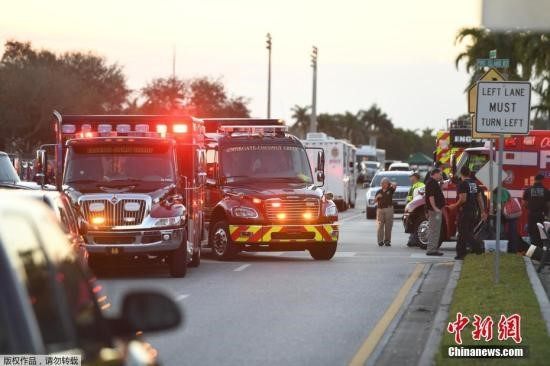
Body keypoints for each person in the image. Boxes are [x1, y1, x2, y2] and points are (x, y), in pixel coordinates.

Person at [449, 166, 487, 260]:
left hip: (465, 211)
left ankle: (478, 247)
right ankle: (461, 253)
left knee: (463, 232)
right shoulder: (474, 184)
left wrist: (454, 206)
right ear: (469, 173)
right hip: (474, 211)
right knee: (466, 232)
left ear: (461, 174)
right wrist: (482, 211)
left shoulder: (462, 184)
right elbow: (479, 198)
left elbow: (463, 199)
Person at [522, 174, 550, 247]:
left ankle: (533, 251)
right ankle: (541, 251)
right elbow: (548, 204)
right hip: (542, 215)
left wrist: (530, 207)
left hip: (531, 215)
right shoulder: (546, 190)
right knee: (542, 234)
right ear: (542, 180)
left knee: (532, 233)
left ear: (535, 180)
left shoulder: (528, 190)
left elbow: (524, 203)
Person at [424, 168, 445, 256]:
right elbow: (431, 197)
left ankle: (433, 248)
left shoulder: (433, 182)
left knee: (435, 229)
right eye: (440, 174)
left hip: (435, 210)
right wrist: (435, 208)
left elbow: (436, 194)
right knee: (434, 230)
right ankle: (431, 250)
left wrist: (441, 185)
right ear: (435, 174)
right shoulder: (431, 183)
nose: (441, 176)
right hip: (434, 211)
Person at [493, 187, 519, 253]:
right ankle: (505, 248)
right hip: (504, 215)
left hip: (511, 214)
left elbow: (503, 203)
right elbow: (495, 204)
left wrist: (499, 210)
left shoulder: (503, 191)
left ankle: (513, 250)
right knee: (502, 232)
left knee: (512, 232)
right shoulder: (494, 193)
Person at [375, 178, 397, 247]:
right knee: (380, 225)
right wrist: (377, 197)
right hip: (380, 210)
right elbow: (374, 201)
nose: (383, 184)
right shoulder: (378, 191)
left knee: (388, 225)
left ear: (387, 184)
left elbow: (395, 185)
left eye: (385, 183)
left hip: (388, 209)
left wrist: (390, 183)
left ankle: (387, 241)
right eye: (382, 183)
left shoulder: (390, 190)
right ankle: (380, 241)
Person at [406, 172, 425, 247]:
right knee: (412, 224)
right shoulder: (413, 186)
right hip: (412, 208)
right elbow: (409, 198)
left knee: (415, 224)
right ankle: (412, 240)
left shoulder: (421, 185)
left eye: (411, 177)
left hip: (417, 209)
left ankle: (413, 240)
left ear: (415, 178)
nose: (410, 178)